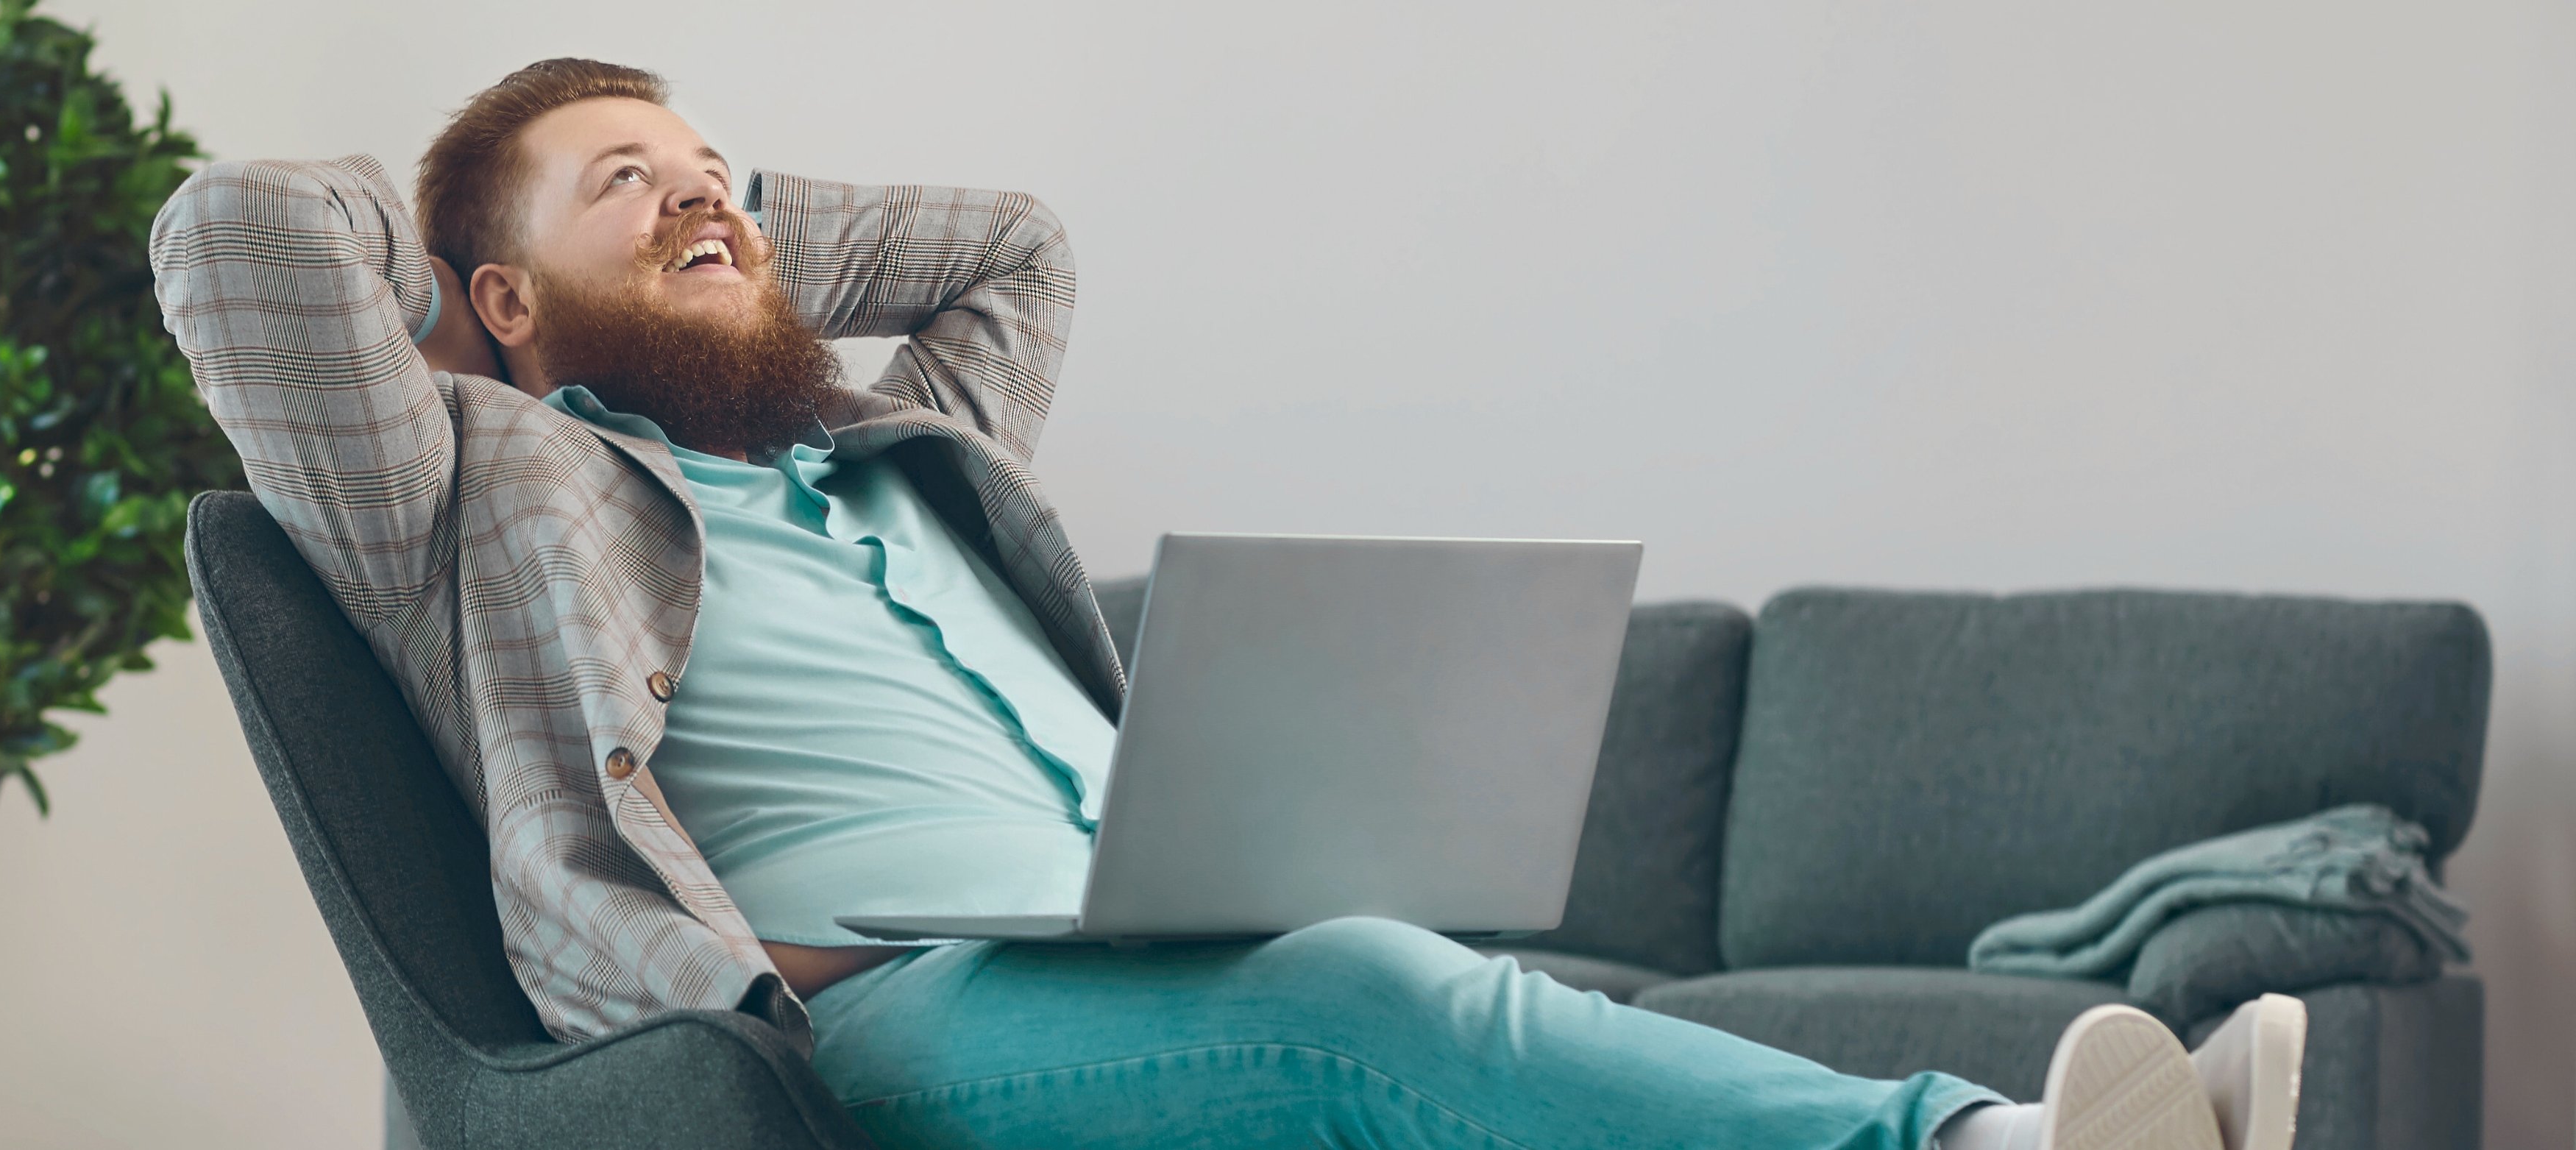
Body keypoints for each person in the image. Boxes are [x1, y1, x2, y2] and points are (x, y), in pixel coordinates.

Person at [148, 57, 2306, 1150]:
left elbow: (1022, 252)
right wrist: (481, 258)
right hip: (868, 1008)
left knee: (1427, 993)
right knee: (1378, 996)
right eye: (638, 183)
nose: (704, 189)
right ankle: (2003, 1147)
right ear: (496, 296)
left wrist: (726, 210)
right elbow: (238, 240)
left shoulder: (903, 442)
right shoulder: (477, 474)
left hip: (1137, 927)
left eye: (721, 165)